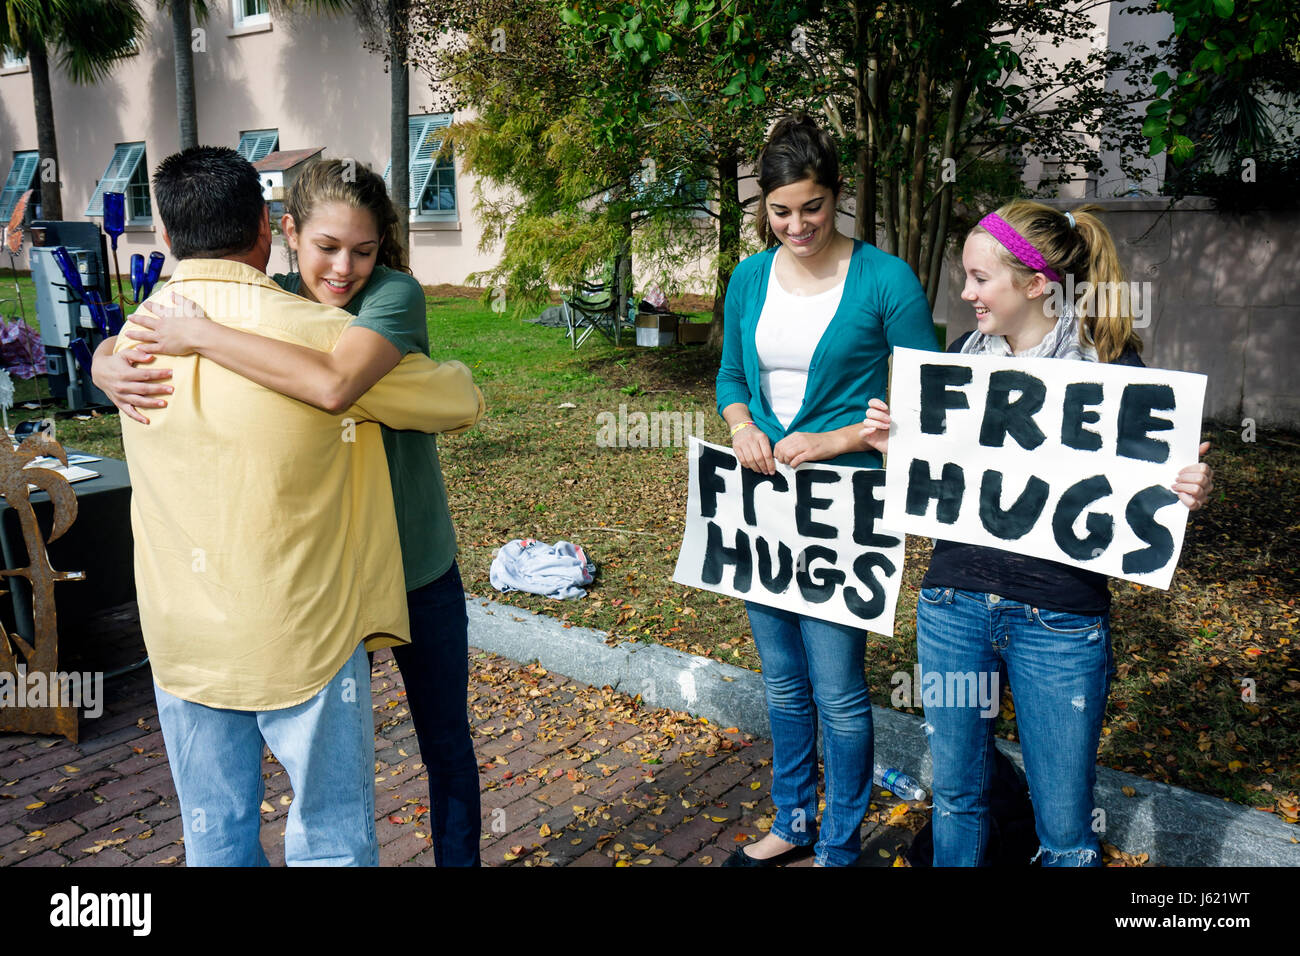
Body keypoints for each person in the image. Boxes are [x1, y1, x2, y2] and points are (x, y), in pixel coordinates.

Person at [93, 158, 487, 866]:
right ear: (281, 234)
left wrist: (187, 340)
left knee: (441, 741)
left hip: (410, 555)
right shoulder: (279, 312)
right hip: (321, 588)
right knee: (326, 826)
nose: (343, 268)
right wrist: (102, 360)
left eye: (362, 250)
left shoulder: (387, 299)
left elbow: (339, 382)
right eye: (328, 248)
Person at [861, 199, 1214, 866]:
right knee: (960, 799)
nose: (964, 293)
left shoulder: (1112, 370)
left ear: (1035, 283)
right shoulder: (963, 356)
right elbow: (941, 482)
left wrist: (1190, 489)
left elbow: (1152, 493)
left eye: (978, 279)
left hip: (1059, 621)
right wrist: (893, 446)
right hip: (953, 606)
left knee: (1066, 835)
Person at [715, 115, 940, 867]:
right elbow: (732, 376)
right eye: (780, 211)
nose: (796, 225)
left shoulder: (885, 278)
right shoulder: (749, 277)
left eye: (810, 207)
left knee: (839, 689)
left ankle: (840, 842)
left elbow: (930, 397)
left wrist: (837, 441)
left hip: (847, 508)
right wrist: (742, 425)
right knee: (782, 684)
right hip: (764, 504)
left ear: (835, 197)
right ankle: (794, 820)